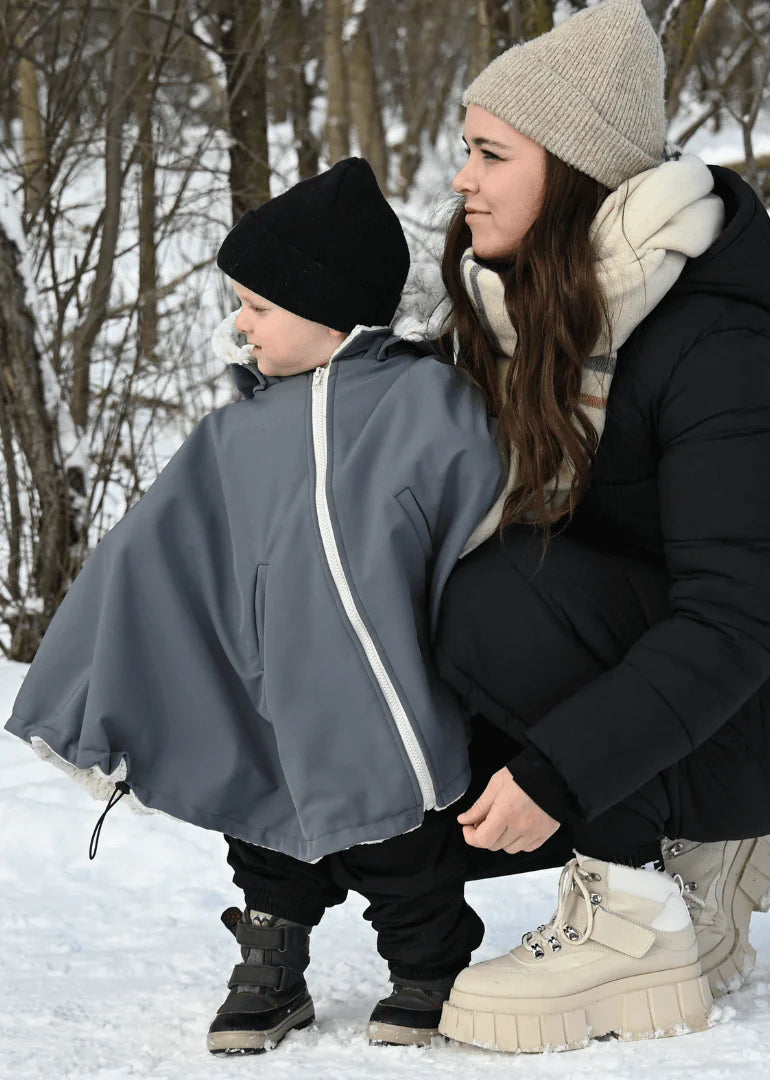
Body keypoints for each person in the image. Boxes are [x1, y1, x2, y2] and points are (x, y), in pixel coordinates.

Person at [420, 0, 770, 1052]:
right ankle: (693, 854)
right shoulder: (522, 317)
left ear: (572, 174)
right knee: (453, 601)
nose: (464, 179)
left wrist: (556, 777)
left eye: (491, 154)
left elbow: (735, 616)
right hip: (665, 654)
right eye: (467, 152)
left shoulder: (709, 340)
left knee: (496, 600)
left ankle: (631, 918)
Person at [4, 159, 506, 1053]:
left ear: (331, 309)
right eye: (240, 303)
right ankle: (273, 958)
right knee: (267, 837)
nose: (239, 323)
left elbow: (486, 523)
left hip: (387, 686)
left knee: (404, 847)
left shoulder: (426, 403)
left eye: (258, 306)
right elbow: (146, 561)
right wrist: (83, 701)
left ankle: (430, 965)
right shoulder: (235, 435)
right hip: (267, 690)